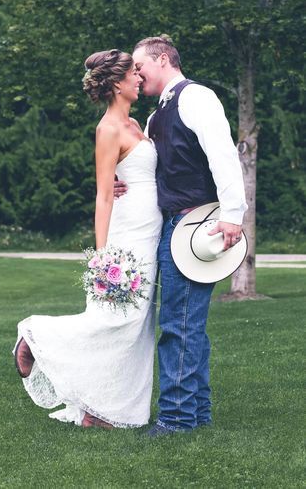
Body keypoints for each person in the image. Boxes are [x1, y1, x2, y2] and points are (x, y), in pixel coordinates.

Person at [13, 49, 163, 429]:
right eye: (133, 73)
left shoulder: (136, 124)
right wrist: (103, 257)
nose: (139, 78)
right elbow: (103, 194)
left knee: (136, 325)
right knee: (113, 318)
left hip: (149, 232)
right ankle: (34, 336)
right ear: (116, 83)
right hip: (126, 238)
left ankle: (100, 412)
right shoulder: (108, 129)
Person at [115, 35, 248, 437]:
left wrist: (233, 215)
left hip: (195, 227)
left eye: (140, 66)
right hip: (170, 226)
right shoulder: (156, 116)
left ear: (162, 59)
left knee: (180, 324)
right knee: (187, 324)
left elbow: (223, 155)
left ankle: (176, 419)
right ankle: (197, 413)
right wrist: (119, 184)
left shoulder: (196, 97)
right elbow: (155, 170)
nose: (136, 74)